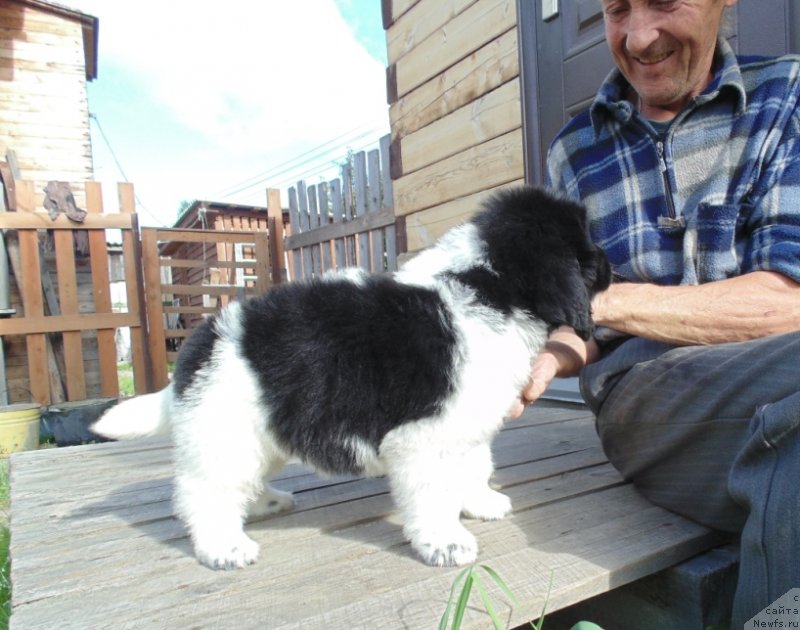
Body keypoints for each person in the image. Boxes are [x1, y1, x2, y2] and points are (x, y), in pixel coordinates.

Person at [514, 0, 800, 626]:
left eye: (665, 2)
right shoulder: (574, 152)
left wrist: (605, 300)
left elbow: (788, 301)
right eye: (618, 10)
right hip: (641, 395)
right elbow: (577, 325)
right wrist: (545, 354)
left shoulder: (786, 97)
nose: (639, 37)